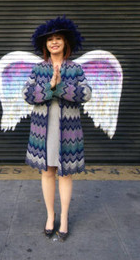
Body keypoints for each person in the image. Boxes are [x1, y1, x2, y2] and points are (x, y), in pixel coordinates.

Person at [22, 16, 92, 241]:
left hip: (68, 132)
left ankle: (65, 217)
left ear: (65, 42)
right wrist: (48, 86)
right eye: (50, 39)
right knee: (47, 172)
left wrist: (59, 87)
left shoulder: (75, 68)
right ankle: (50, 217)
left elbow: (86, 93)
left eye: (58, 38)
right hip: (43, 131)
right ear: (45, 45)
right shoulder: (38, 68)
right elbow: (27, 95)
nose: (54, 42)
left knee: (66, 174)